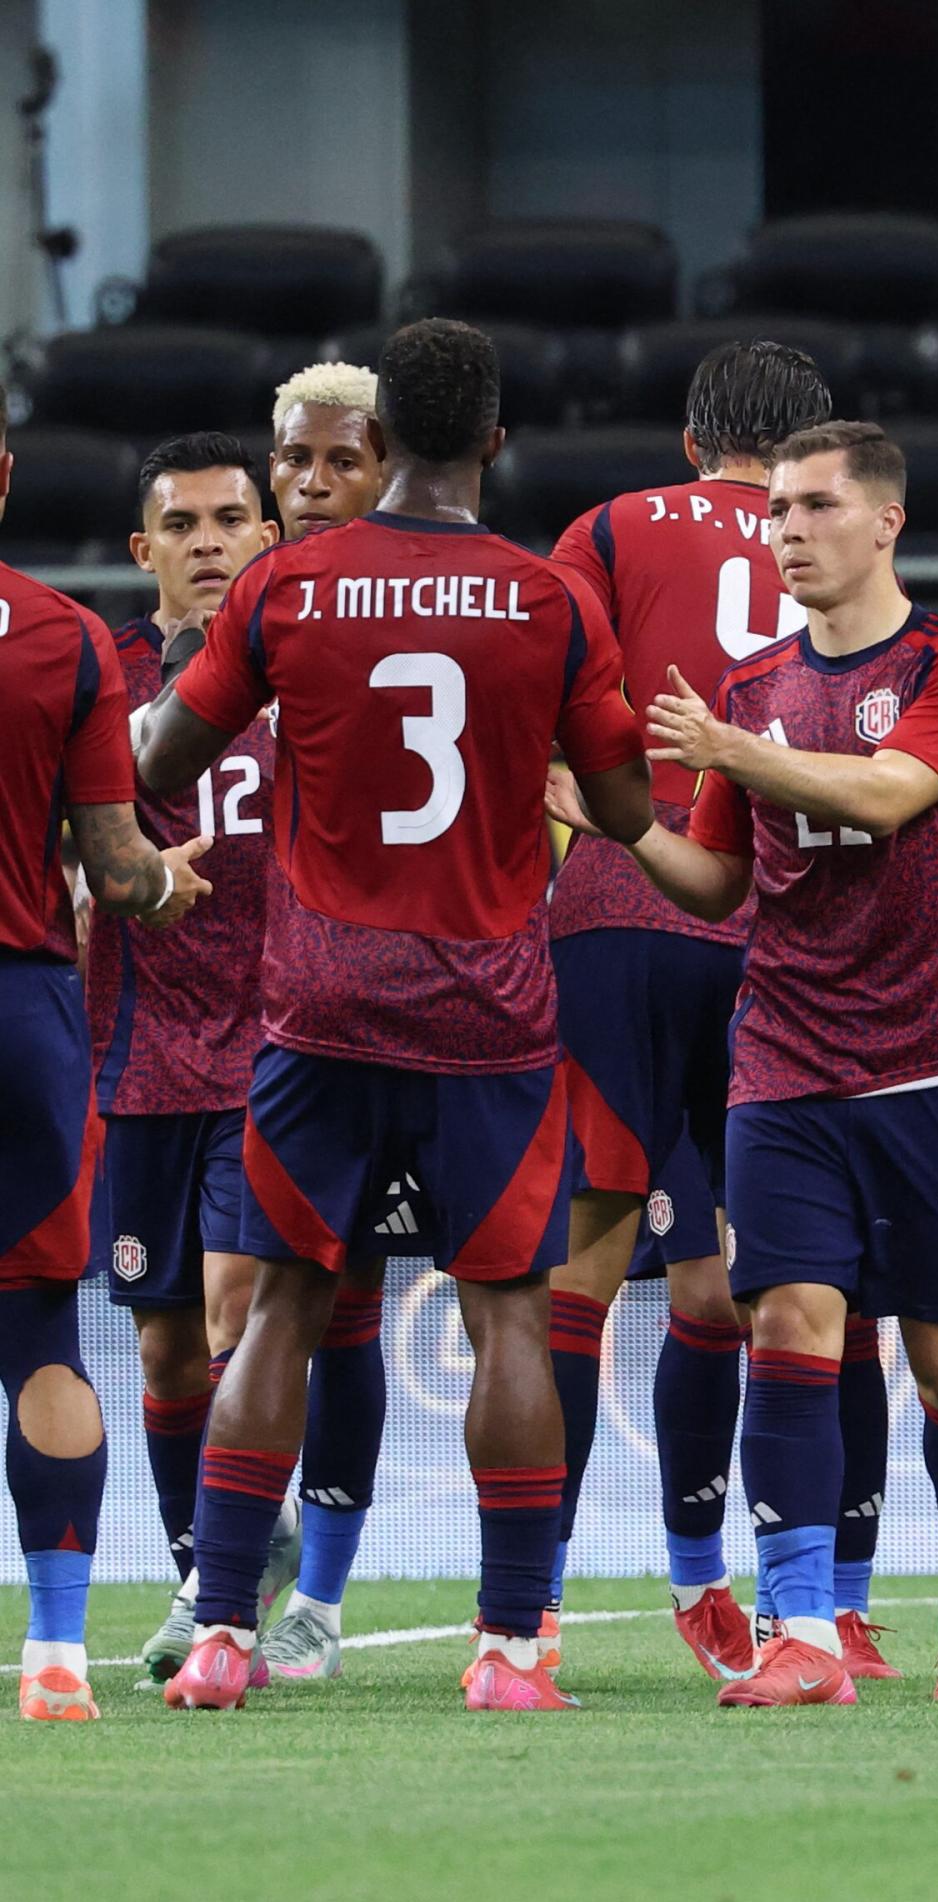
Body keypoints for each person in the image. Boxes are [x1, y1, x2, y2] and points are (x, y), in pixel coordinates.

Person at [139, 318, 653, 1714]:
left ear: (378, 446)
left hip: (318, 1004)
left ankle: (225, 1635)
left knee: (285, 1314)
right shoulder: (551, 602)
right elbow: (623, 811)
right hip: (487, 1010)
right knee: (508, 1321)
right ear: (493, 437)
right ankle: (506, 1651)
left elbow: (168, 753)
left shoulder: (292, 585)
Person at [555, 420, 938, 1707]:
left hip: (931, 1061)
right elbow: (714, 884)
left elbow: (887, 794)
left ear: (885, 522)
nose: (787, 532)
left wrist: (730, 753)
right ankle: (805, 1631)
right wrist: (613, 820)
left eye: (815, 508)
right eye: (775, 512)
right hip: (783, 1057)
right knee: (786, 1326)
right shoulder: (753, 685)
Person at [544, 338, 898, 1682]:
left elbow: (538, 690)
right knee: (807, 1281)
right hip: (794, 929)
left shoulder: (609, 529)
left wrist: (572, 814)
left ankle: (539, 1617)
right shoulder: (845, 536)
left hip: (623, 917)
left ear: (694, 445)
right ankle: (836, 1605)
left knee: (593, 1276)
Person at [0, 388, 211, 1720]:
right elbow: (117, 860)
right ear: (6, 478)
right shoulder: (65, 636)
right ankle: (61, 1657)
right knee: (42, 1339)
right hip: (24, 1012)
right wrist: (157, 887)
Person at [84, 432, 307, 1687]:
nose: (211, 542)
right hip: (139, 1044)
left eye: (233, 519)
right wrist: (97, 877)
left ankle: (225, 1587)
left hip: (278, 1043)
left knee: (235, 1304)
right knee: (164, 1348)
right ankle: (204, 1569)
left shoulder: (314, 664)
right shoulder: (98, 676)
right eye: (184, 524)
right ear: (145, 548)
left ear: (266, 537)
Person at [255, 362, 394, 1684]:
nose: (309, 486)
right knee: (272, 1303)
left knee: (376, 1306)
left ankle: (337, 1601)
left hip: (444, 1019)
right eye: (293, 461)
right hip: (279, 1018)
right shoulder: (259, 608)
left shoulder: (332, 606)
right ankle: (226, 1578)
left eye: (339, 461)